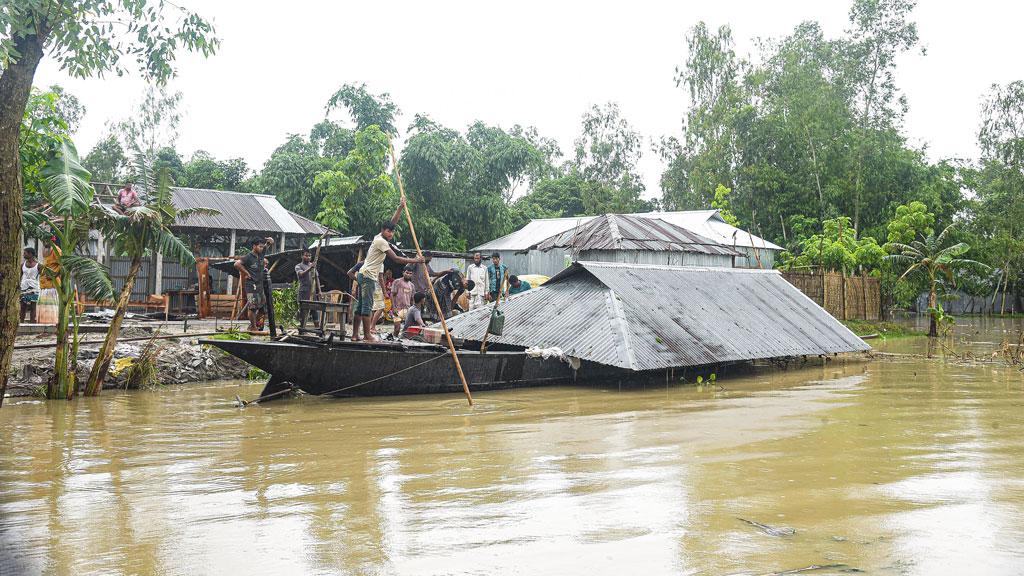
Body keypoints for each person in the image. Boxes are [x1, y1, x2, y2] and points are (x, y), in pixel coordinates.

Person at [355, 198, 429, 343]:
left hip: (364, 274)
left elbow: (392, 223)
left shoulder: (380, 236)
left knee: (359, 307)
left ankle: (354, 335)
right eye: (388, 232)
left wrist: (400, 207)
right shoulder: (380, 241)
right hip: (368, 276)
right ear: (383, 231)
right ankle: (367, 335)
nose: (391, 234)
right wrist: (416, 260)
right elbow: (396, 259)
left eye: (392, 232)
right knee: (366, 307)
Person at [234, 237, 271, 333]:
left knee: (263, 308)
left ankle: (252, 325)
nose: (262, 248)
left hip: (260, 285)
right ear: (254, 246)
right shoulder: (248, 257)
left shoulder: (262, 254)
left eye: (263, 247)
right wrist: (247, 273)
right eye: (260, 246)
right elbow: (237, 264)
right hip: (251, 286)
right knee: (252, 307)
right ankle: (254, 328)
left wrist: (269, 240)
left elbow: (270, 242)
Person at [295, 250, 320, 328]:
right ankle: (302, 330)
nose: (308, 257)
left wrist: (319, 291)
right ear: (302, 256)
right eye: (306, 255)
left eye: (309, 256)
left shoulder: (313, 266)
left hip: (313, 292)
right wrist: (310, 268)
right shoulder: (298, 266)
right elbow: (301, 274)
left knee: (314, 311)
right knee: (303, 311)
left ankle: (317, 330)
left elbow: (317, 278)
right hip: (303, 291)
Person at [390, 264, 417, 337]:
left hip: (407, 310)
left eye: (410, 273)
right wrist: (393, 307)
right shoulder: (397, 282)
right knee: (397, 328)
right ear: (403, 273)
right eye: (407, 273)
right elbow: (392, 295)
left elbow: (412, 299)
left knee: (407, 330)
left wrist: (413, 310)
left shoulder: (412, 285)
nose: (408, 275)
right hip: (397, 309)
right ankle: (394, 341)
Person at [20, 247, 40, 323]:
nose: (23, 255)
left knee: (33, 307)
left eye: (25, 253)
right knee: (23, 306)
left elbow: (45, 276)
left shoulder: (38, 265)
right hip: (24, 287)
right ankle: (21, 322)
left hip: (34, 288)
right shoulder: (22, 265)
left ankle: (32, 323)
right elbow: (20, 276)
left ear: (30, 254)